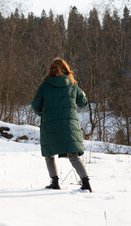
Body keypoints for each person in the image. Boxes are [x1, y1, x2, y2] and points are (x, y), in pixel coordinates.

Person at [31, 58, 92, 192]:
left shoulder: (44, 86)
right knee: (73, 155)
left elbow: (35, 106)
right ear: (66, 69)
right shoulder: (72, 85)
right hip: (69, 126)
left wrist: (45, 114)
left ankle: (55, 182)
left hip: (50, 125)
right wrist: (83, 95)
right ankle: (86, 182)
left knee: (49, 154)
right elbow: (83, 103)